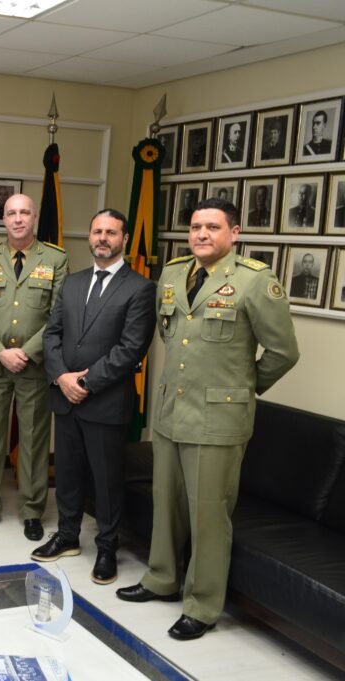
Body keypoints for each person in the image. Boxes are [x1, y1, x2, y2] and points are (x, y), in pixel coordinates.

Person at [117, 197, 299, 641]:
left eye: (213, 227)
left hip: (218, 418)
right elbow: (172, 336)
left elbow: (283, 351)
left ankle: (202, 605)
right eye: (196, 226)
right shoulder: (174, 273)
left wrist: (242, 388)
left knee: (208, 515)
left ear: (234, 233)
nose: (201, 234)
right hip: (171, 412)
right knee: (165, 502)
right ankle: (162, 578)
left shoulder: (255, 281)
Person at [33, 209, 155, 585]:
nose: (102, 238)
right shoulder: (72, 283)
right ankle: (67, 535)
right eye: (97, 231)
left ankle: (107, 547)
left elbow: (131, 349)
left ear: (124, 239)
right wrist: (61, 377)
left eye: (111, 232)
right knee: (67, 473)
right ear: (89, 236)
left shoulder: (140, 288)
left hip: (105, 401)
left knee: (106, 480)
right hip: (65, 396)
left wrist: (84, 383)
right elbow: (52, 334)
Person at [0, 194, 68, 540]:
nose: (19, 219)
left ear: (34, 217)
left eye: (24, 212)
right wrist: (0, 352)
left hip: (33, 366)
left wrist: (26, 352)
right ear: (4, 219)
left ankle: (32, 511)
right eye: (12, 213)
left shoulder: (55, 259)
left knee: (34, 440)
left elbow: (58, 316)